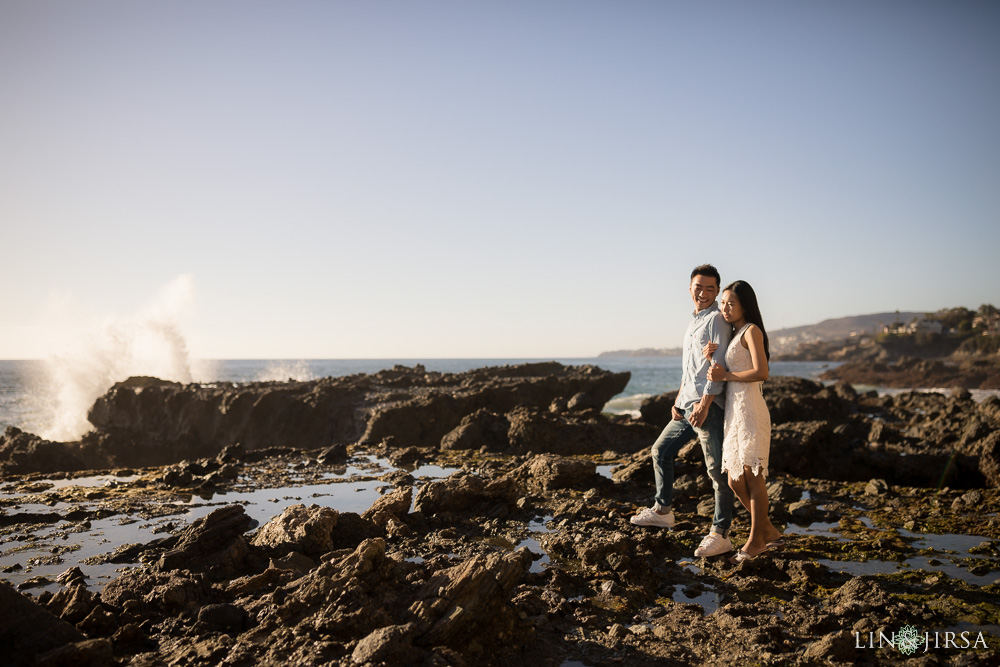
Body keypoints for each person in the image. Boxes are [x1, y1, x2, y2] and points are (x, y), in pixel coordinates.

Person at [630, 264, 736, 559]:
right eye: (698, 287)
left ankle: (720, 533)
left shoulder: (717, 319)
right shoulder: (693, 323)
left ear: (717, 290)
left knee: (716, 471)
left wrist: (704, 404)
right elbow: (691, 370)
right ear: (690, 288)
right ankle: (663, 511)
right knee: (660, 450)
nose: (703, 293)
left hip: (708, 406)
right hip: (686, 405)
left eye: (710, 289)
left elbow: (718, 370)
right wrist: (678, 400)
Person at [703, 280, 781, 562]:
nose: (724, 308)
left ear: (745, 305)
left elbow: (762, 372)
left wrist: (727, 376)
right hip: (733, 413)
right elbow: (727, 368)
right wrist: (713, 358)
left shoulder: (751, 331)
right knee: (735, 480)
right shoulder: (734, 333)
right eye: (723, 303)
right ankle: (769, 530)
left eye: (731, 304)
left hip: (751, 409)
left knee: (753, 476)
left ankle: (755, 541)